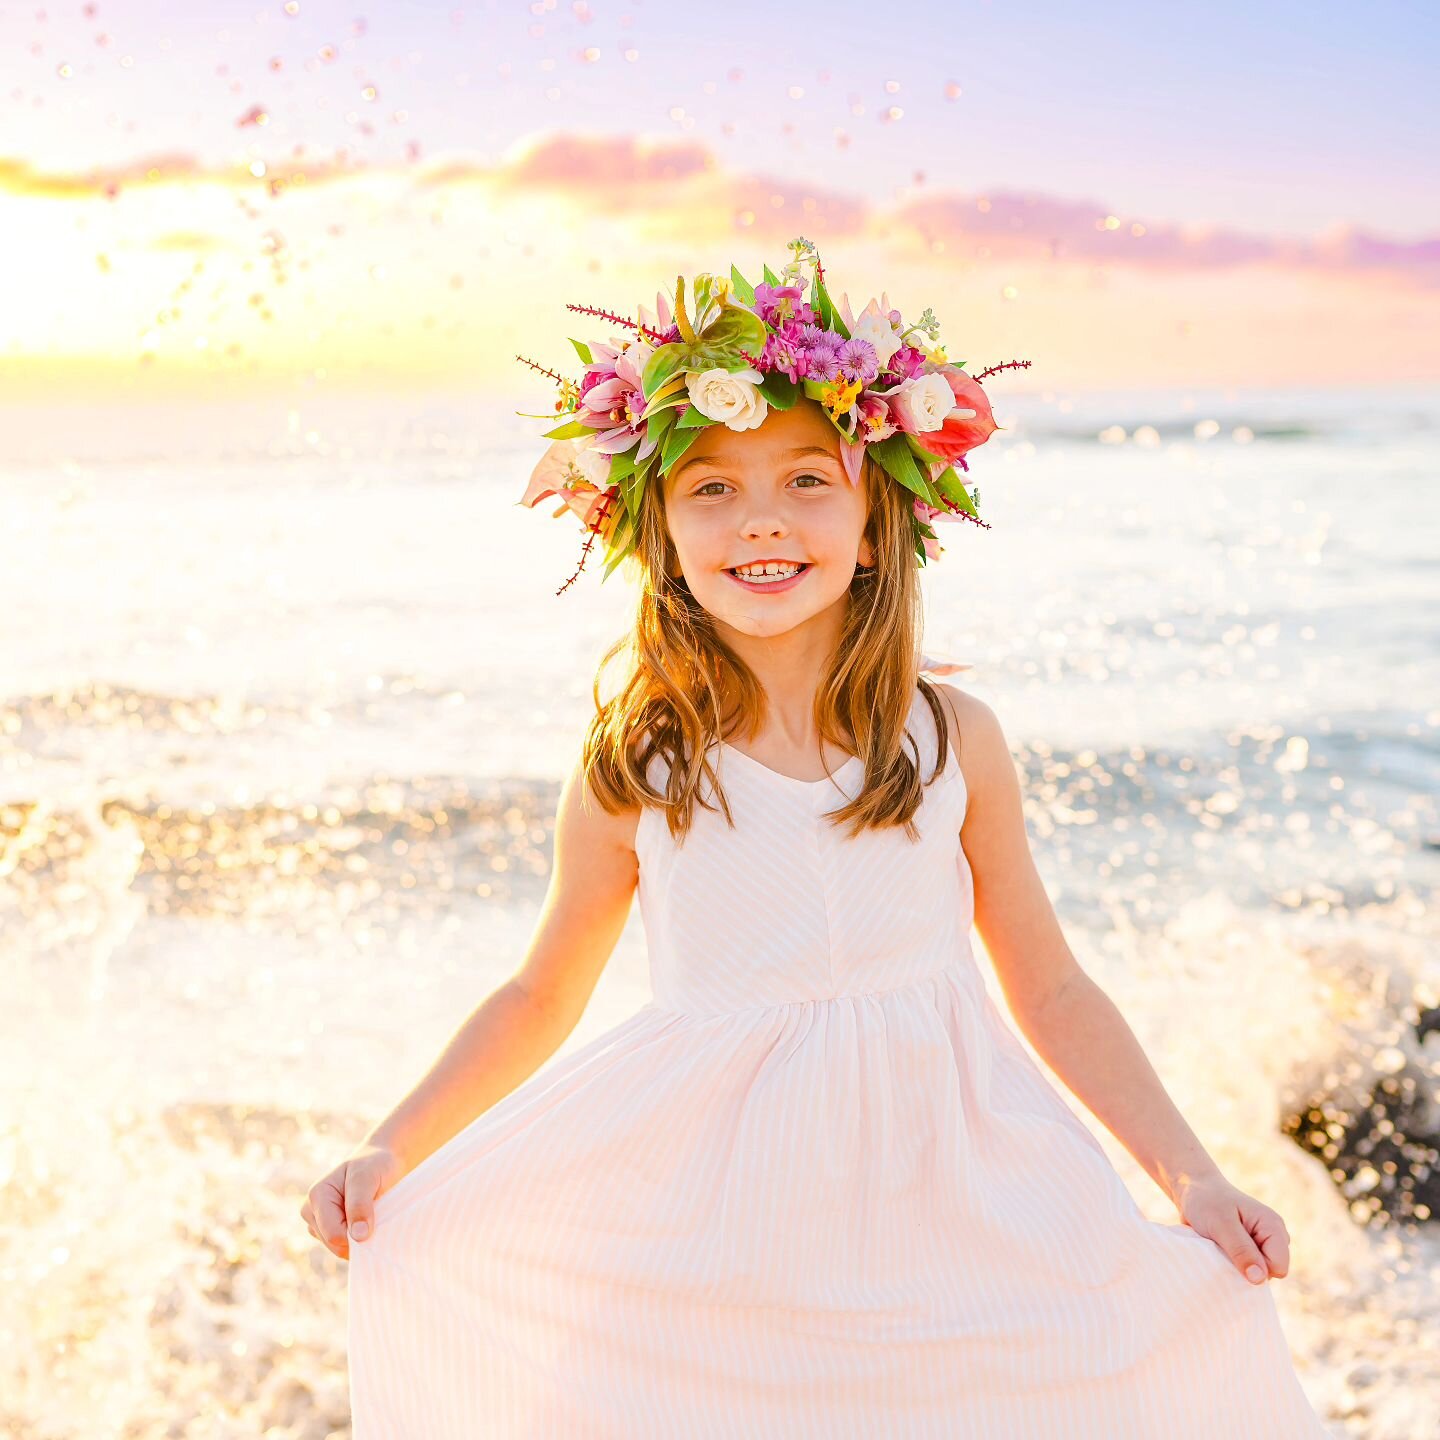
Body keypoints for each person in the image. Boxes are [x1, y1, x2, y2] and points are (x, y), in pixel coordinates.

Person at [306, 239, 1330, 1436]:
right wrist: (394, 1148)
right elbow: (540, 992)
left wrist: (1192, 1179)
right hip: (727, 1200)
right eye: (711, 489)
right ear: (658, 537)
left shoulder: (951, 741)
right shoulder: (640, 767)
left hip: (959, 1174)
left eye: (806, 480)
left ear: (874, 516)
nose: (761, 522)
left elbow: (1048, 986)